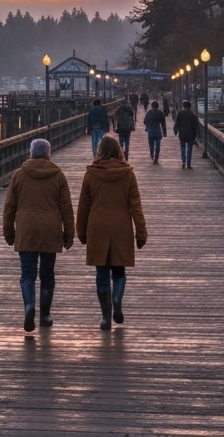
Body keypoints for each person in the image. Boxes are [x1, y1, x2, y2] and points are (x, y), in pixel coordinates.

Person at [76, 134, 149, 330]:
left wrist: (80, 232)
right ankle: (117, 299)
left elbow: (84, 206)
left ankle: (106, 318)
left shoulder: (91, 173)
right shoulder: (127, 173)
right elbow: (136, 206)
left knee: (101, 273)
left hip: (97, 226)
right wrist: (141, 232)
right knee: (119, 270)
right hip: (121, 226)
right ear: (119, 151)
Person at [2, 138, 75, 331]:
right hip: (50, 230)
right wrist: (69, 234)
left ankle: (29, 306)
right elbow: (66, 208)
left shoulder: (19, 175)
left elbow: (9, 207)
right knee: (47, 275)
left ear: (31, 153)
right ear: (48, 154)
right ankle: (45, 315)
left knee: (27, 274)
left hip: (26, 230)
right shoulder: (58, 175)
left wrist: (9, 233)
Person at [174, 99, 199, 169]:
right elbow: (195, 125)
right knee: (189, 149)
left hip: (182, 134)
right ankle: (188, 162)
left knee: (182, 148)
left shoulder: (180, 113)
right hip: (190, 134)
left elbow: (177, 123)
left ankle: (183, 161)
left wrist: (175, 130)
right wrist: (195, 134)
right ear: (189, 107)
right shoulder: (192, 115)